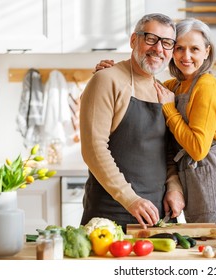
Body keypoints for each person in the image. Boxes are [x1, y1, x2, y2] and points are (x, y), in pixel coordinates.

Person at [94, 18, 216, 223]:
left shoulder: (207, 85)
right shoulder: (173, 86)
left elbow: (198, 149)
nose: (186, 56)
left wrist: (170, 109)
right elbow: (141, 76)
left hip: (215, 173)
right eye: (179, 48)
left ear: (207, 51)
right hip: (193, 177)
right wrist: (108, 74)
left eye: (194, 49)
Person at [79, 13, 185, 231]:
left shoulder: (165, 93)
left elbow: (166, 153)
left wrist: (174, 186)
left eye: (166, 43)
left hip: (157, 216)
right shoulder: (106, 80)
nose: (158, 49)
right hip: (111, 214)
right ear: (133, 40)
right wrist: (130, 199)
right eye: (150, 39)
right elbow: (93, 149)